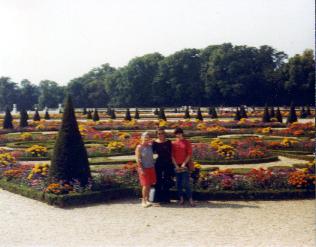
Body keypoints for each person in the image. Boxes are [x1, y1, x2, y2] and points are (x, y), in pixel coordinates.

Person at [171, 127, 195, 207]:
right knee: (178, 183)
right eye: (177, 134)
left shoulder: (186, 142)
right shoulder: (173, 144)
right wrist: (176, 166)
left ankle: (190, 199)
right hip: (177, 165)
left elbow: (189, 154)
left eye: (179, 133)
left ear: (182, 133)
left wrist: (184, 164)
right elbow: (172, 156)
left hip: (185, 165)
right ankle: (181, 199)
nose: (178, 135)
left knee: (186, 183)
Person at [152, 127, 175, 203]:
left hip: (168, 163)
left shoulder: (168, 142)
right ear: (156, 135)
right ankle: (157, 199)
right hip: (159, 163)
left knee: (167, 179)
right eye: (159, 133)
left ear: (165, 134)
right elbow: (151, 153)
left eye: (162, 133)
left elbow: (172, 153)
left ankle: (166, 199)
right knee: (158, 180)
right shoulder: (154, 143)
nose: (161, 135)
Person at [135, 132, 156, 207]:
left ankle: (147, 200)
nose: (146, 138)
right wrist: (141, 169)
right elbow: (138, 159)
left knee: (149, 184)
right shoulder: (139, 147)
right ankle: (143, 201)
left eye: (148, 137)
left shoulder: (150, 146)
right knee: (145, 185)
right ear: (141, 138)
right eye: (145, 137)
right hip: (143, 168)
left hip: (151, 167)